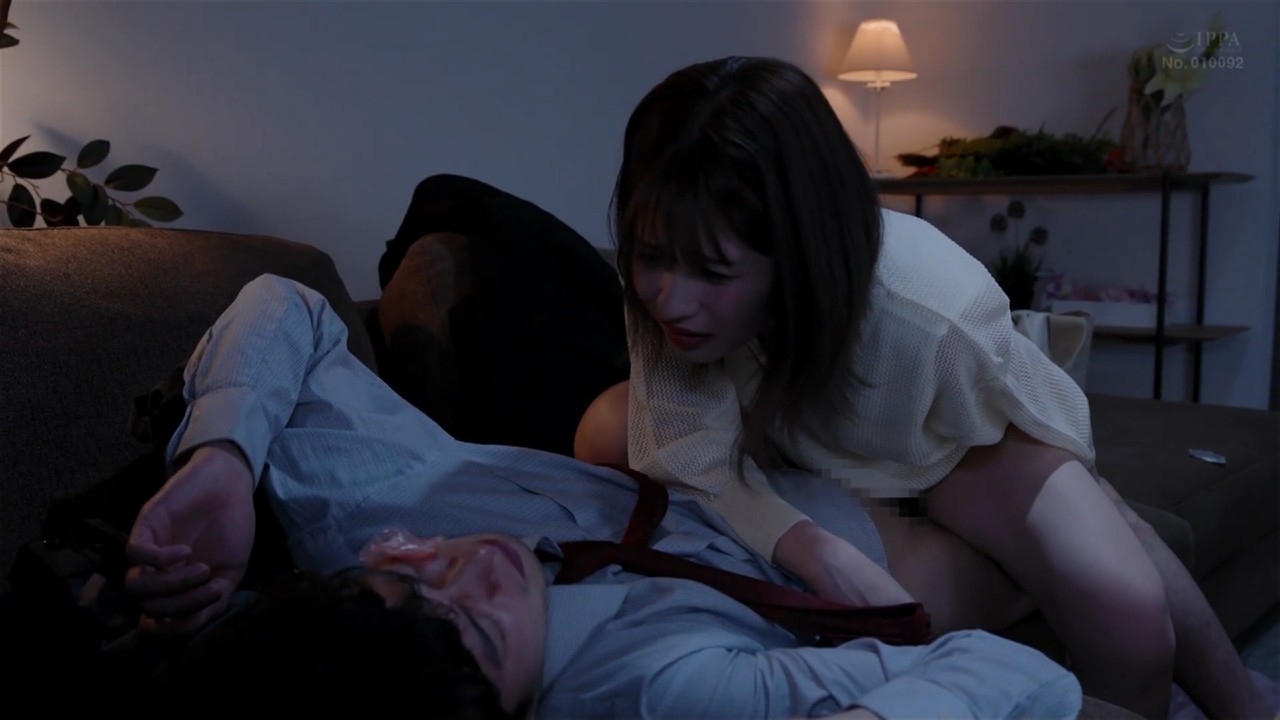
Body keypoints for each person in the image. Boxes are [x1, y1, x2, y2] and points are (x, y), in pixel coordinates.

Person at [573, 55, 1270, 720]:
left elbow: (1053, 431)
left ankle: (1244, 705)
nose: (671, 300)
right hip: (793, 425)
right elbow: (686, 449)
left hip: (946, 443)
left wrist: (1070, 519)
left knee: (1127, 611)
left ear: (797, 252)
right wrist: (813, 548)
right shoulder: (667, 285)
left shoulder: (933, 314)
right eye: (652, 257)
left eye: (713, 273)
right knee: (608, 426)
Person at [123, 273, 1083, 719]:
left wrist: (219, 457)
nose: (470, 569)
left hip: (722, 466)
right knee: (1056, 531)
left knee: (623, 413)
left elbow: (284, 303)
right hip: (842, 555)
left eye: (411, 576)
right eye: (481, 630)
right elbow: (998, 671)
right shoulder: (664, 692)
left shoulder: (366, 513)